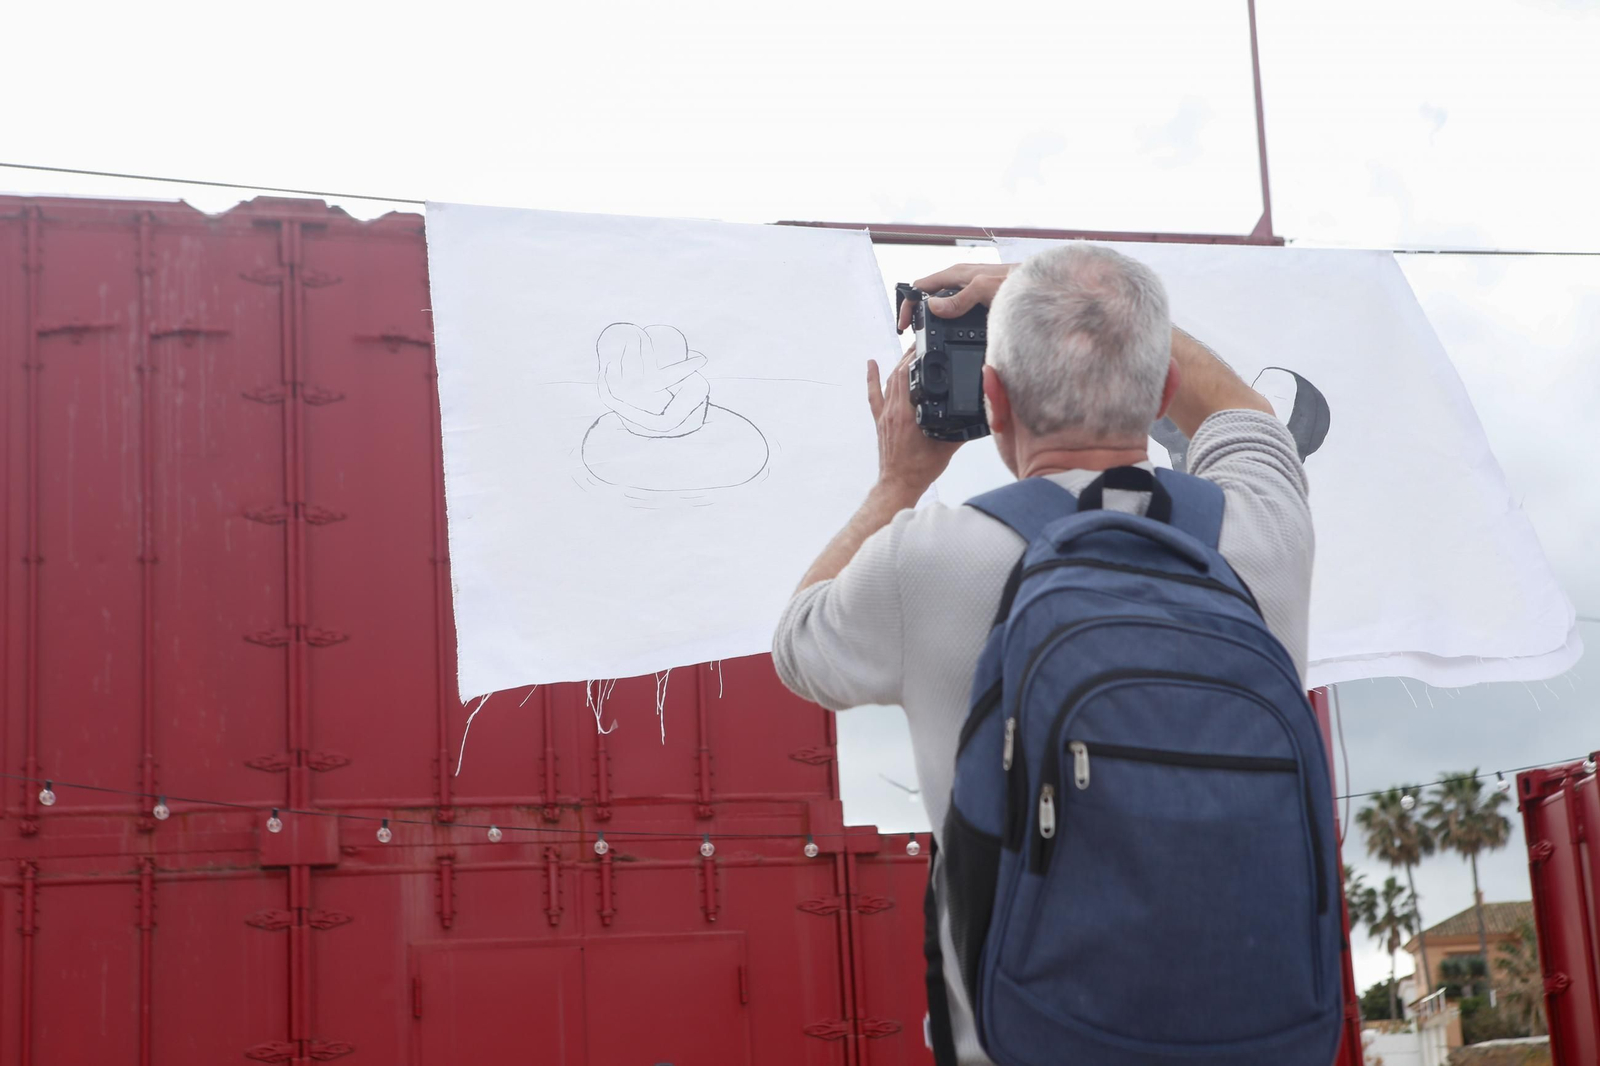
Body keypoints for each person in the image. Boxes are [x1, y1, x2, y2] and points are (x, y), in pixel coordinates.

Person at [771, 244, 1315, 1065]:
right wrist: (1046, 287)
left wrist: (897, 483)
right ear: (1162, 386)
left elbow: (799, 642)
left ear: (993, 400)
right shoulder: (1262, 531)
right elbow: (1243, 410)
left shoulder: (929, 559)